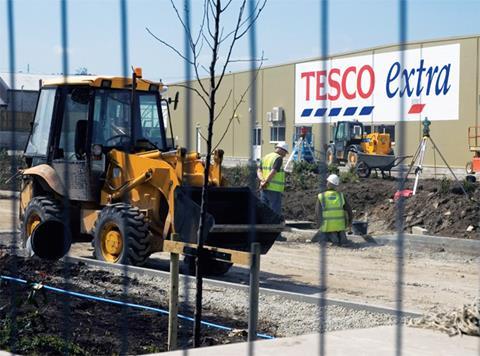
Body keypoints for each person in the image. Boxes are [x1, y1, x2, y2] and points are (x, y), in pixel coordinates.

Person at [314, 173, 353, 245]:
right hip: (340, 227)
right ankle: (340, 240)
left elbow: (318, 213)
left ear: (328, 183)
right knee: (342, 239)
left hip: (327, 227)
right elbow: (349, 211)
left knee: (320, 238)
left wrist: (319, 225)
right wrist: (350, 222)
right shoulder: (341, 196)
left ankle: (333, 240)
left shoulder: (321, 196)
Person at [257, 142, 289, 216]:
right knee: (275, 210)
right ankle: (275, 225)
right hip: (274, 189)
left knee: (264, 209)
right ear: (282, 150)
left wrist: (262, 181)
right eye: (285, 153)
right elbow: (273, 172)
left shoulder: (265, 157)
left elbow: (259, 171)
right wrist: (266, 182)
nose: (285, 155)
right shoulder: (278, 158)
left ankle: (264, 225)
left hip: (264, 188)